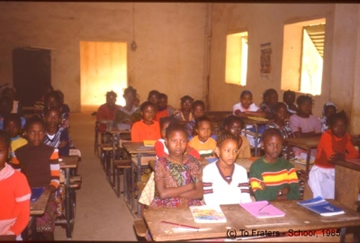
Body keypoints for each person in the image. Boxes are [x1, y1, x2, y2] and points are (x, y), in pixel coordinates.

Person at [12, 116, 60, 240]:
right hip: (26, 191)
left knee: (46, 229)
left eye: (40, 132)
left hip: (47, 190)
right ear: (25, 133)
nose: (37, 136)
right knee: (22, 227)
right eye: (32, 132)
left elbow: (55, 178)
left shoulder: (51, 151)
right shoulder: (18, 153)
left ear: (45, 133)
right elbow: (16, 178)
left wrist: (48, 191)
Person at [150, 122, 203, 208]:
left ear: (187, 143)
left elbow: (199, 193)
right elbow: (163, 194)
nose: (178, 145)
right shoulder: (161, 163)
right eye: (174, 141)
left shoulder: (193, 162)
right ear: (166, 142)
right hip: (166, 206)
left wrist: (172, 193)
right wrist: (190, 186)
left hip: (191, 205)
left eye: (183, 141)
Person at [308, 111, 359, 199]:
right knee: (319, 195)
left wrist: (343, 157)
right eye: (336, 126)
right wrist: (341, 158)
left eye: (343, 126)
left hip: (335, 169)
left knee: (347, 188)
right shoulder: (327, 136)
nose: (340, 129)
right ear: (330, 127)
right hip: (320, 170)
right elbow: (331, 158)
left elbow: (355, 154)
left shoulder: (345, 137)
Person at [249, 128, 300, 201]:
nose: (275, 148)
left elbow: (296, 194)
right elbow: (260, 196)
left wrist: (269, 193)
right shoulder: (256, 167)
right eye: (271, 145)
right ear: (263, 144)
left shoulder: (288, 167)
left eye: (279, 145)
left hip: (287, 207)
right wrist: (281, 192)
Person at [203, 132, 252, 205]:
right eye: (227, 150)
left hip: (238, 211)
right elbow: (209, 199)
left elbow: (245, 197)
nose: (231, 155)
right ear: (218, 151)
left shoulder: (241, 171)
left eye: (235, 151)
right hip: (217, 211)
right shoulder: (209, 171)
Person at [0, 130, 31, 240]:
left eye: (0, 151)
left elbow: (24, 216)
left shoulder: (18, 180)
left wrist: (11, 234)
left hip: (11, 233)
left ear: (9, 152)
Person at [289, 95, 321, 163]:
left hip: (313, 148)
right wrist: (313, 133)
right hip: (299, 147)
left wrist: (304, 134)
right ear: (299, 106)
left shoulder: (314, 119)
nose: (307, 107)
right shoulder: (294, 118)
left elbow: (319, 136)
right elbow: (299, 137)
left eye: (309, 105)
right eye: (304, 105)